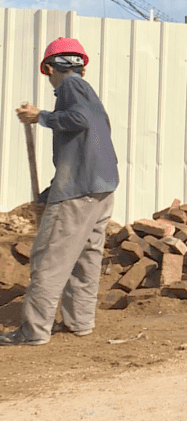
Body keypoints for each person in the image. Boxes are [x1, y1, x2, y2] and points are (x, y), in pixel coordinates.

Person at [1, 38, 119, 346]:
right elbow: (87, 139)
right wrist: (53, 188)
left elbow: (78, 121)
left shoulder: (69, 87)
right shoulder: (89, 93)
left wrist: (39, 116)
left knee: (49, 259)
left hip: (79, 192)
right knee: (85, 258)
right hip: (102, 188)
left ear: (50, 68)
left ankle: (33, 331)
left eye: (48, 73)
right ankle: (79, 322)